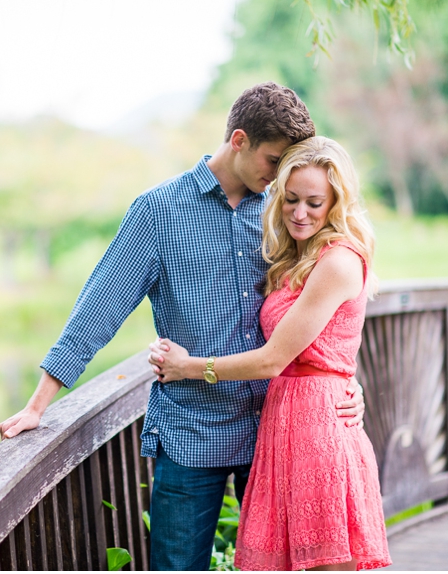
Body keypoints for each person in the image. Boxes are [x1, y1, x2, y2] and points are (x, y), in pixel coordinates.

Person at [0, 83, 366, 570]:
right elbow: (98, 310)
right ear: (239, 141)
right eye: (273, 161)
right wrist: (37, 404)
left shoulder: (283, 211)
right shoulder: (158, 212)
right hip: (195, 432)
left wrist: (345, 382)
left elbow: (331, 306)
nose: (280, 178)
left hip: (276, 433)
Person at [149, 136, 391, 571]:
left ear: (337, 202)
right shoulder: (295, 257)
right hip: (281, 428)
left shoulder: (337, 261)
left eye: (315, 203)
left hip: (318, 435)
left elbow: (272, 360)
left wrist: (187, 367)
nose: (300, 213)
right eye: (291, 199)